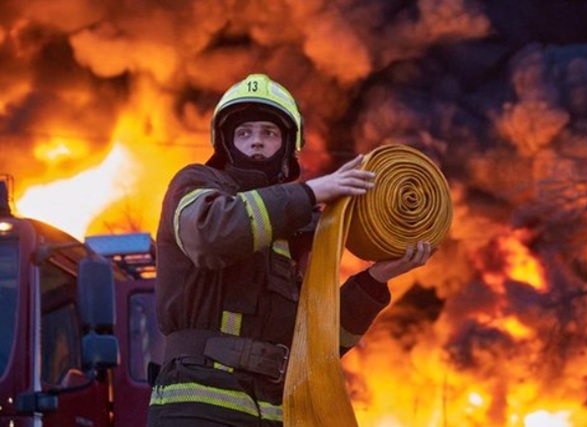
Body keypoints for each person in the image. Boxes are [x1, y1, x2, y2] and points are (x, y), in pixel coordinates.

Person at [147, 73, 433, 426]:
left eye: (269, 133)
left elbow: (319, 344)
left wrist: (377, 278)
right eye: (244, 132)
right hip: (197, 409)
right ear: (225, 142)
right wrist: (312, 192)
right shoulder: (196, 185)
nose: (256, 142)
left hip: (274, 414)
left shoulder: (299, 230)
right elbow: (212, 236)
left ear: (286, 145)